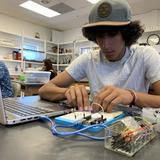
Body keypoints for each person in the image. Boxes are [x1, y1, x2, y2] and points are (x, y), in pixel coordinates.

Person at [39, 0, 160, 112]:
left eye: (112, 34)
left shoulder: (145, 55)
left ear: (126, 34)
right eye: (100, 36)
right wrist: (67, 92)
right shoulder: (88, 59)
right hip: (96, 126)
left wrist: (133, 96)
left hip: (134, 129)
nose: (105, 45)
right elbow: (44, 90)